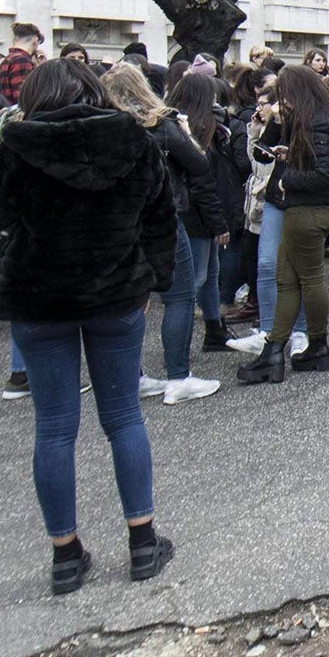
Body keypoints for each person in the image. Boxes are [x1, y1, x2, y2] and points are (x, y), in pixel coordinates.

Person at [0, 57, 177, 594]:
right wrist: (152, 278)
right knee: (124, 418)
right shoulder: (133, 139)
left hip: (39, 296)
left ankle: (65, 556)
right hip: (115, 292)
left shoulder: (17, 145)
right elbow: (161, 214)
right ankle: (142, 541)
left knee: (55, 428)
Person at [102, 65, 225, 405]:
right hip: (163, 217)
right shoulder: (161, 123)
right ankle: (178, 377)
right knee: (179, 297)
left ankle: (133, 375)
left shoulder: (102, 126)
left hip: (118, 222)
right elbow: (199, 165)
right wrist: (185, 134)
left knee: (129, 300)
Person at [238, 65, 329, 383]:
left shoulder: (318, 121)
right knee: (287, 279)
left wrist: (288, 176)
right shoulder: (313, 117)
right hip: (306, 209)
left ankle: (314, 346)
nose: (281, 101)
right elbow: (264, 154)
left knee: (308, 279)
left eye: (284, 94)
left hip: (310, 209)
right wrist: (275, 131)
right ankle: (275, 350)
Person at [169, 73, 247, 357]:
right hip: (197, 215)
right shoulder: (197, 130)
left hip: (199, 211)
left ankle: (215, 328)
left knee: (209, 273)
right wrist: (218, 223)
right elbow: (202, 183)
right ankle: (179, 352)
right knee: (194, 281)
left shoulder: (184, 127)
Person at [0, 22, 45, 107]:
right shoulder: (22, 60)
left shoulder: (9, 58)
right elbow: (22, 96)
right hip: (19, 114)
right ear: (35, 40)